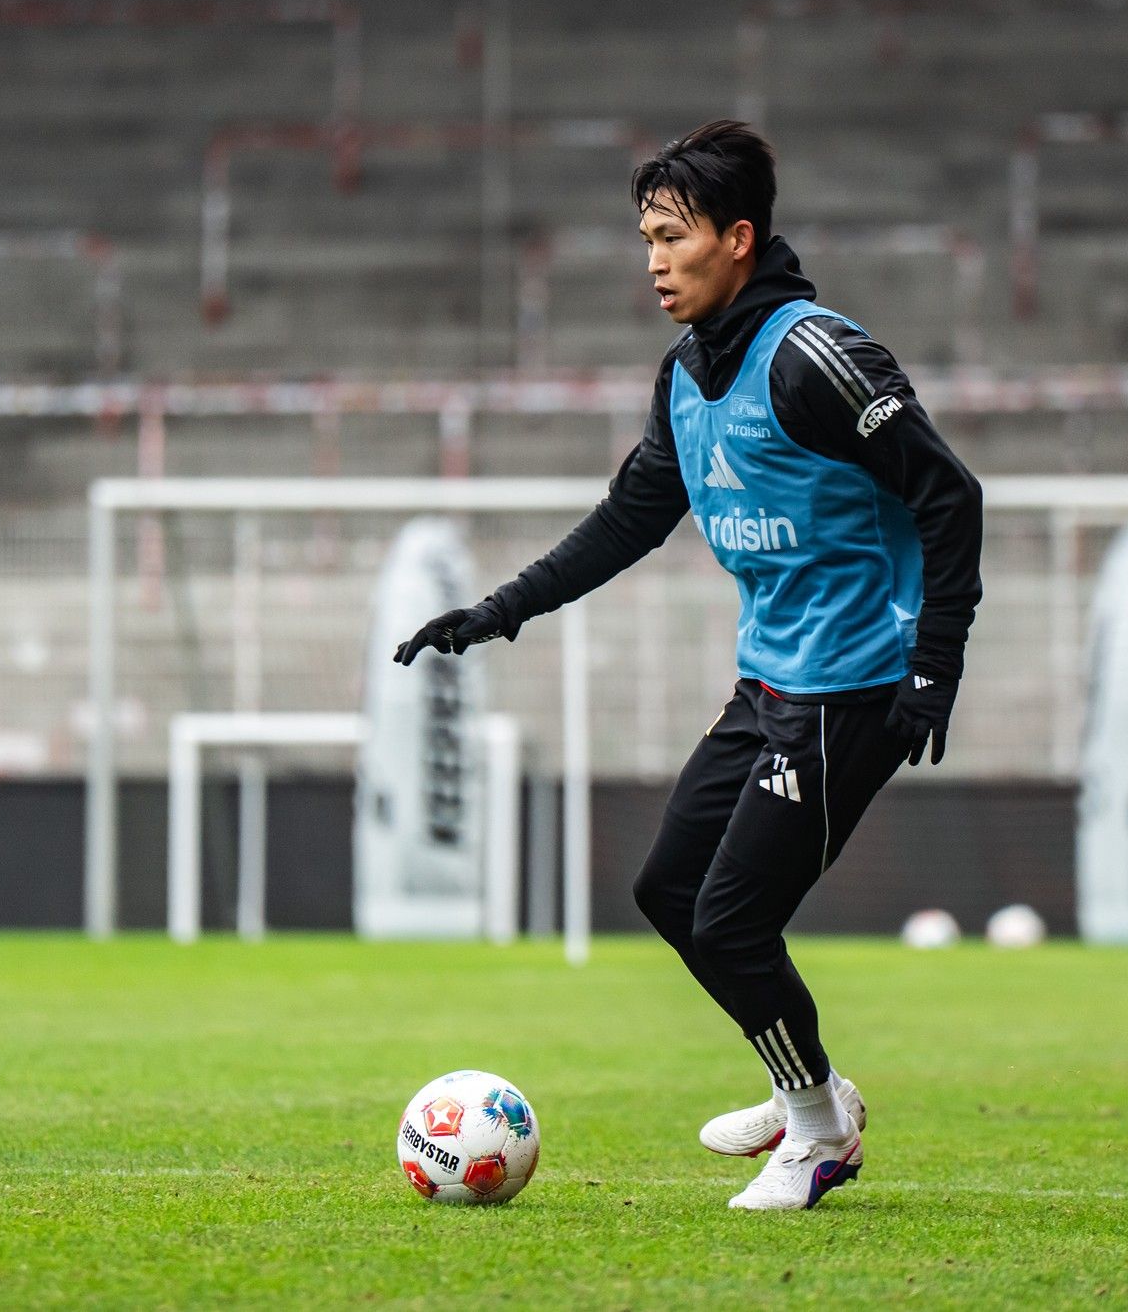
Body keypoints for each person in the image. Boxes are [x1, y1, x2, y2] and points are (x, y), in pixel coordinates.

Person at [395, 120, 983, 1210]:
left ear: (740, 239)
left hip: (851, 688)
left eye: (674, 236)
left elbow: (949, 492)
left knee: (731, 919)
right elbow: (628, 519)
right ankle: (809, 1087)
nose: (655, 261)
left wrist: (933, 664)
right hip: (769, 685)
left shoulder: (816, 357)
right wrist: (496, 611)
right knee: (670, 888)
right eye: (645, 238)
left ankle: (817, 1133)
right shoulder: (686, 376)